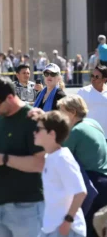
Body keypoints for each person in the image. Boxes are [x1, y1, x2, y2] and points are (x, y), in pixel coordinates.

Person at [0, 75, 45, 237]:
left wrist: (2, 159)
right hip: (0, 206)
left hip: (27, 206)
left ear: (10, 97)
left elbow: (40, 163)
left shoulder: (31, 119)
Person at [57, 95, 107, 237]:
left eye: (62, 110)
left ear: (72, 112)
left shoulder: (74, 132)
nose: (60, 115)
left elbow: (60, 157)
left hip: (93, 185)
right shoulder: (93, 123)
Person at [34, 111, 87, 237]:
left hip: (66, 230)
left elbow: (81, 192)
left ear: (52, 134)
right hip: (50, 229)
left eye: (38, 129)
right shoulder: (50, 157)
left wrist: (67, 221)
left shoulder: (63, 158)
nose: (34, 132)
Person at [77, 65, 107, 140]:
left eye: (97, 77)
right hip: (89, 137)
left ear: (104, 79)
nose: (93, 79)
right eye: (92, 76)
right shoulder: (83, 92)